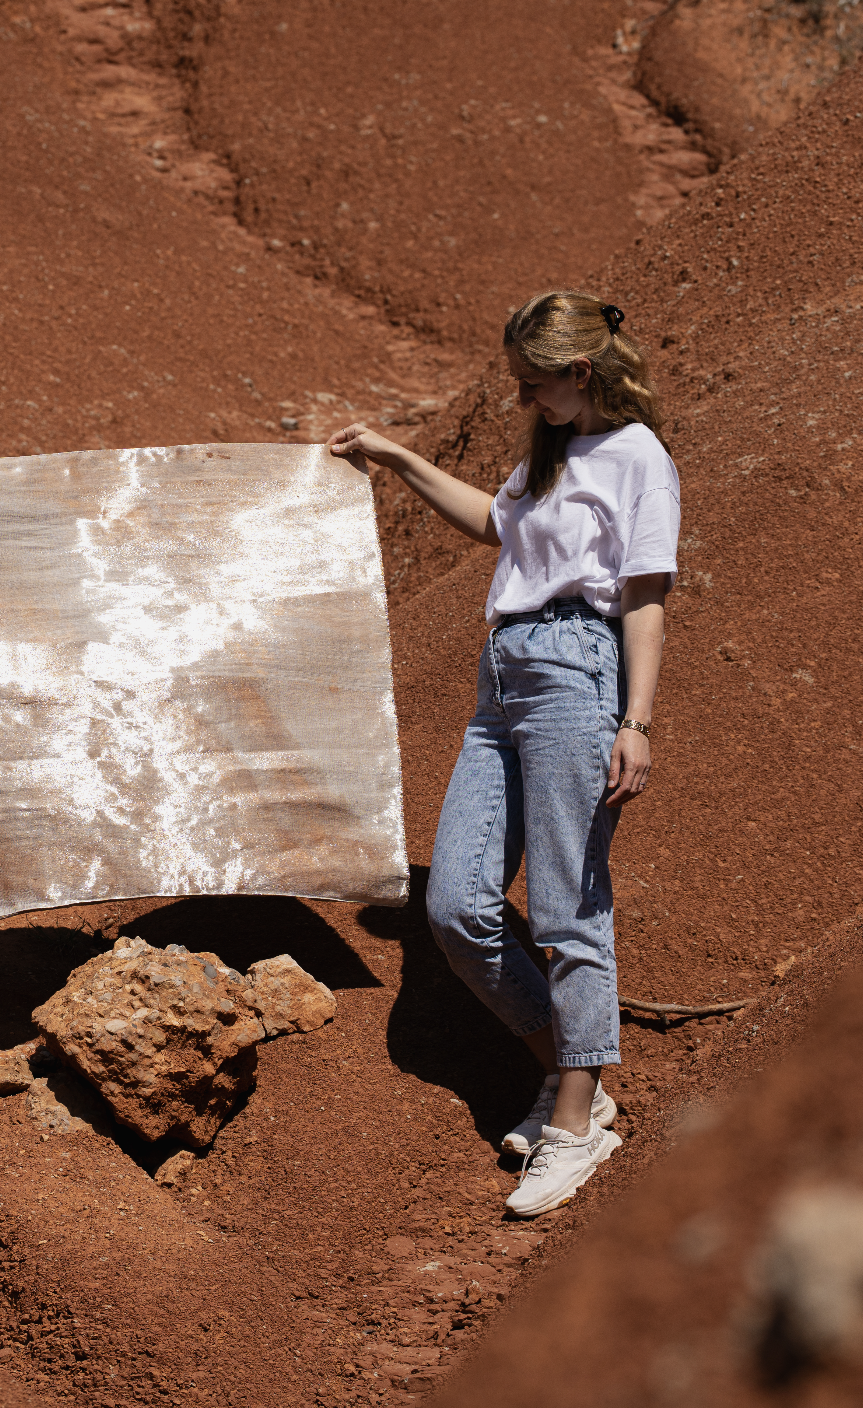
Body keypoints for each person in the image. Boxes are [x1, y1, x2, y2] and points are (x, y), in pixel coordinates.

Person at [330, 291, 677, 1217]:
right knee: (455, 906)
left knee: (568, 909)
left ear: (580, 371)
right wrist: (399, 458)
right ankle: (579, 1076)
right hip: (504, 678)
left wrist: (635, 722)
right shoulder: (552, 452)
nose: (525, 401)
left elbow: (645, 595)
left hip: (578, 672)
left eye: (535, 385)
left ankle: (572, 1127)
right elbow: (497, 526)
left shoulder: (638, 456)